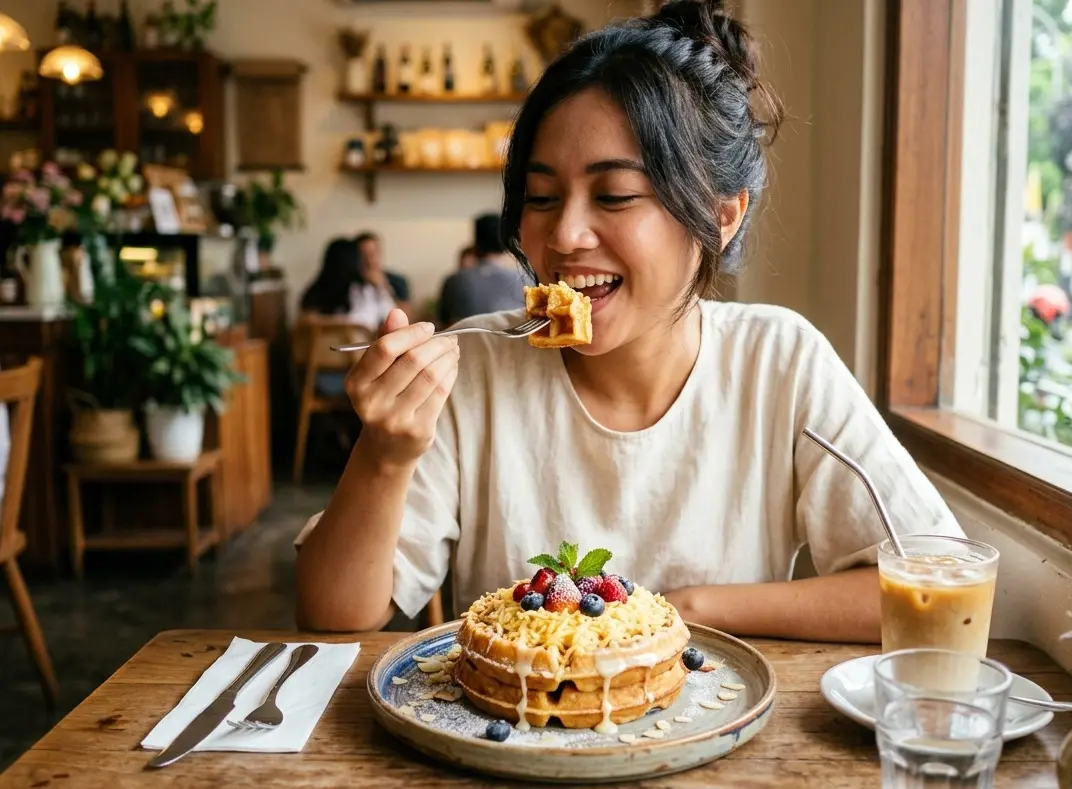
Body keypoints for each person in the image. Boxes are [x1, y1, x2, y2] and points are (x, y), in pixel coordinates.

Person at [296, 0, 965, 639]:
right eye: (540, 196)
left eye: (614, 194)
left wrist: (687, 608)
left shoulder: (778, 362)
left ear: (720, 216)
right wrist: (384, 455)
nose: (564, 234)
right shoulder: (473, 369)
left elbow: (940, 590)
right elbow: (332, 613)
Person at [300, 238, 393, 397]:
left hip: (315, 379)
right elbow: (394, 318)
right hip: (363, 377)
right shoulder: (367, 292)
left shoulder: (311, 296)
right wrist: (383, 286)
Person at [435, 214, 527, 326]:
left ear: (476, 243)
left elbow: (444, 326)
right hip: (513, 343)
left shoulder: (455, 281)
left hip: (465, 342)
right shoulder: (525, 281)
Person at [354, 232, 413, 317]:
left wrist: (384, 286)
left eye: (373, 253)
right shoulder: (350, 282)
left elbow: (407, 316)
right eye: (364, 255)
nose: (370, 260)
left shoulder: (398, 281)